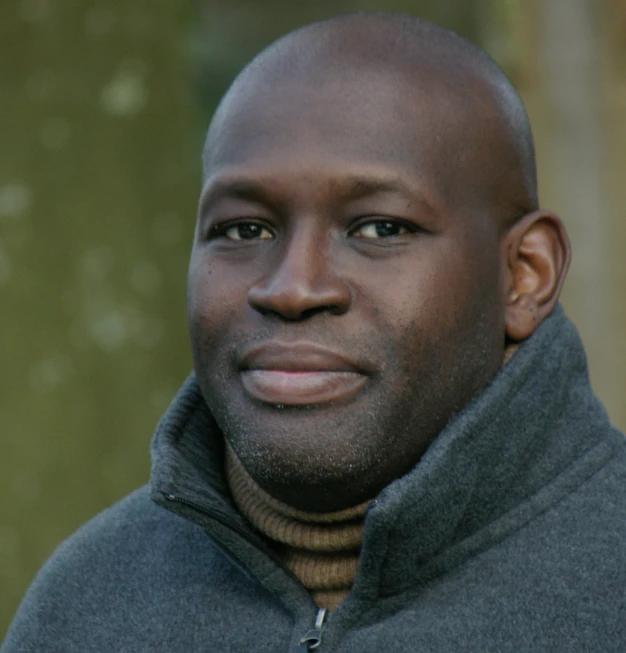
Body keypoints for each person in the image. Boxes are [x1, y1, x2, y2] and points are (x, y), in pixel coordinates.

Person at [2, 12, 624, 653]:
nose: (292, 288)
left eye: (380, 228)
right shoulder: (85, 608)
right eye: (245, 230)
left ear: (524, 275)